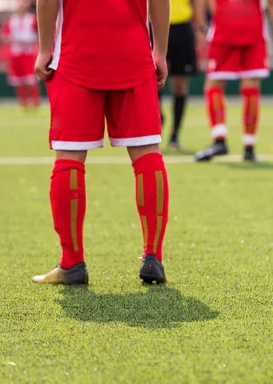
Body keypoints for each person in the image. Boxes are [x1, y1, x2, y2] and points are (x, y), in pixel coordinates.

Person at [32, 0, 171, 285]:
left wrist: (45, 49)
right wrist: (160, 51)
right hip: (133, 53)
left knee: (69, 156)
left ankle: (71, 263)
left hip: (77, 54)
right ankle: (153, 257)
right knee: (147, 152)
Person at [195, 0, 272, 162]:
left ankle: (219, 139)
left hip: (225, 27)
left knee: (214, 84)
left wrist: (202, 28)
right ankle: (249, 146)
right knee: (251, 85)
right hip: (253, 28)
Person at [165, 0, 206, 149]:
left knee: (180, 83)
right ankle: (158, 118)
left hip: (181, 26)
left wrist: (201, 29)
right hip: (153, 25)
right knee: (151, 79)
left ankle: (175, 134)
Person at [1, 0, 40, 109]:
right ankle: (23, 103)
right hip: (16, 53)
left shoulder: (32, 19)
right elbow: (4, 36)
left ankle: (35, 102)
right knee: (18, 80)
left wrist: (30, 41)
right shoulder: (11, 20)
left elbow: (39, 34)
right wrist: (12, 40)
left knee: (30, 79)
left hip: (29, 52)